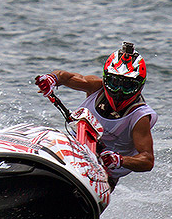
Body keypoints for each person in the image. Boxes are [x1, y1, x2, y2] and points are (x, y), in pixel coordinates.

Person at [35, 42, 157, 187]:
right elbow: (65, 77)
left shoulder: (139, 116)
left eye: (127, 86)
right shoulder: (95, 87)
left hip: (102, 176)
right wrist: (51, 79)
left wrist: (119, 160)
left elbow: (147, 160)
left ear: (139, 85)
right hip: (71, 154)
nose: (118, 91)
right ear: (106, 78)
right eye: (114, 82)